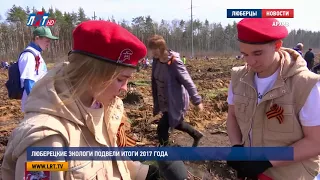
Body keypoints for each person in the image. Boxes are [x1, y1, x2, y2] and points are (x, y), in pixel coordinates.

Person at [1, 21, 161, 180]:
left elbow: (108, 163)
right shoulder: (47, 141)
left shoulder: (102, 107)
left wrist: (144, 173)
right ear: (92, 73)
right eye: (120, 79)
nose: (125, 88)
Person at [226, 18, 320, 180]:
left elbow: (315, 142)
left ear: (277, 45)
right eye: (244, 54)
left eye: (257, 53)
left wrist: (267, 161)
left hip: (292, 174)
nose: (250, 61)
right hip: (252, 173)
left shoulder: (306, 85)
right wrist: (236, 146)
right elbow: (232, 115)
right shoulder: (238, 78)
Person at [147, 35, 204, 147]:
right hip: (164, 100)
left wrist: (197, 101)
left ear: (162, 47)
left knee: (162, 129)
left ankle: (168, 155)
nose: (153, 52)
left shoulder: (174, 62)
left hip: (175, 100)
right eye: (151, 49)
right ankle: (196, 134)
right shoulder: (156, 61)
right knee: (175, 122)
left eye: (155, 49)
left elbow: (188, 81)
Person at [18, 26, 59, 112]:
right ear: (37, 38)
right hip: (33, 104)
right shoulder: (29, 55)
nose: (48, 43)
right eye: (47, 40)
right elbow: (28, 82)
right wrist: (37, 102)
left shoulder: (37, 54)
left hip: (39, 101)